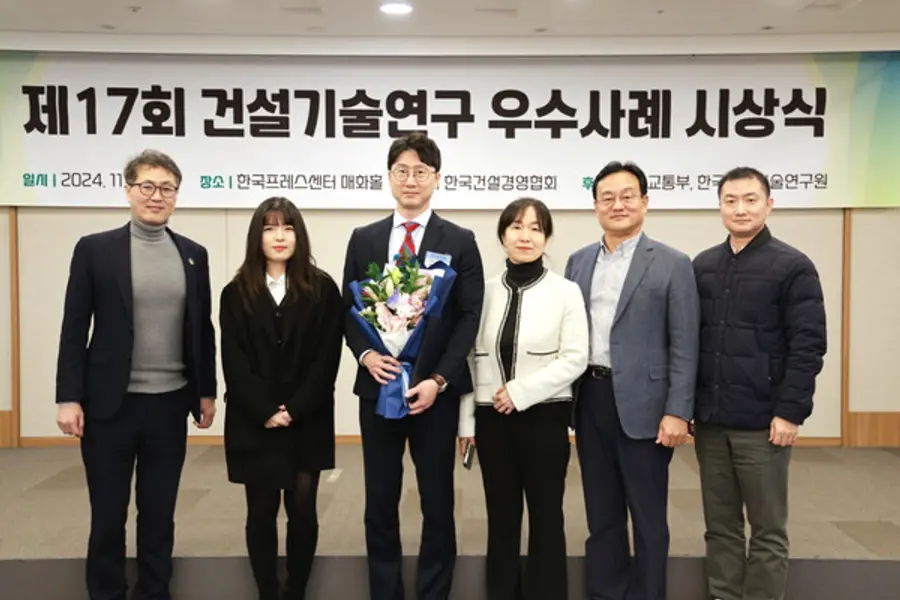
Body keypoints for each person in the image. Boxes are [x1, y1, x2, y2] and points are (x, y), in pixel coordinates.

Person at [55, 149, 217, 600]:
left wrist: (206, 392)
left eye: (167, 188)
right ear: (128, 190)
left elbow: (202, 329)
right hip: (110, 405)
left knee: (159, 513)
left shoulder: (193, 255)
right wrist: (68, 396)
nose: (156, 196)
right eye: (147, 186)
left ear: (177, 196)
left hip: (170, 404)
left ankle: (154, 592)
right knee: (108, 514)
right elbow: (74, 326)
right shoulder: (95, 250)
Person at [341, 131, 485, 600]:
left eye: (420, 171)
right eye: (401, 171)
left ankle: (433, 593)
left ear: (436, 178)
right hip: (378, 386)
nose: (410, 180)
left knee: (437, 500)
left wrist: (439, 379)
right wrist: (366, 355)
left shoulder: (460, 241)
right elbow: (348, 309)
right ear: (389, 177)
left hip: (433, 395)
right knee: (380, 500)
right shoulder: (364, 239)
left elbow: (468, 317)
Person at [564, 160, 700, 600]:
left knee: (647, 515)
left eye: (627, 196)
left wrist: (678, 411)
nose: (617, 205)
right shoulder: (578, 261)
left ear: (644, 202)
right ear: (595, 206)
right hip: (590, 398)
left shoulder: (673, 264)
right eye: (607, 198)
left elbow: (685, 344)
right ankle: (605, 592)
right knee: (601, 513)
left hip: (647, 406)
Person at [692, 167, 826, 600]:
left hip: (763, 424)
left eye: (750, 199)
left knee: (767, 529)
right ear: (719, 207)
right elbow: (692, 342)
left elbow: (808, 346)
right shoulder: (703, 266)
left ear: (769, 205)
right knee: (720, 526)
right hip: (711, 421)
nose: (740, 209)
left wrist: (790, 412)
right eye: (730, 200)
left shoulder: (793, 267)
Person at [458, 198, 588, 600]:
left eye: (535, 228)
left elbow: (575, 358)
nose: (525, 236)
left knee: (546, 518)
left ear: (546, 237)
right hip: (492, 420)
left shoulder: (566, 292)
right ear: (502, 236)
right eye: (516, 227)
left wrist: (521, 392)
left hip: (544, 418)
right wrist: (466, 423)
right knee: (501, 519)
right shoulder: (483, 292)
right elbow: (469, 359)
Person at [220, 197, 343, 600]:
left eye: (288, 228)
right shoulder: (235, 292)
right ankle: (267, 591)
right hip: (254, 421)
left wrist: (294, 409)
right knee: (260, 511)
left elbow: (327, 358)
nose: (279, 236)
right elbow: (234, 360)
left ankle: (296, 590)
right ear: (256, 236)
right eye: (270, 228)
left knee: (303, 511)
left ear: (299, 235)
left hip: (307, 419)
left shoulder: (322, 289)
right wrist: (266, 410)